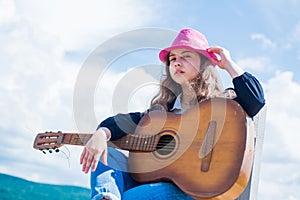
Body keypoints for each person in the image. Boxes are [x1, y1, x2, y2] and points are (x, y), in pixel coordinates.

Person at [79, 28, 265, 200]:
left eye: (186, 56)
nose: (177, 62)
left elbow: (255, 101)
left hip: (193, 191)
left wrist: (228, 63)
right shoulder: (161, 113)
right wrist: (102, 133)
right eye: (173, 58)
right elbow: (121, 122)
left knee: (131, 197)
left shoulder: (221, 106)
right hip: (152, 188)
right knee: (108, 154)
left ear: (204, 64)